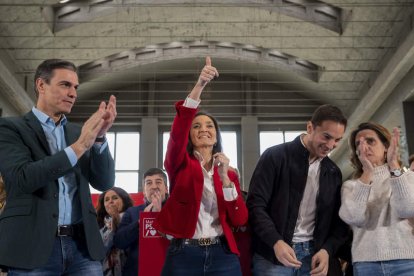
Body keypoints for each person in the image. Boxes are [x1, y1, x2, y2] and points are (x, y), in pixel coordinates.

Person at [0, 59, 116, 275]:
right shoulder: (10, 128)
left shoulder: (76, 132)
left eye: (75, 87)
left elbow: (104, 182)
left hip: (83, 248)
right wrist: (80, 146)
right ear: (41, 85)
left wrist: (99, 138)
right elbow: (22, 178)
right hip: (32, 246)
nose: (73, 93)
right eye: (65, 85)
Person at [153, 57, 248, 276]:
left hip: (223, 254)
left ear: (216, 136)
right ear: (190, 135)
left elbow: (240, 219)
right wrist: (200, 85)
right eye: (196, 126)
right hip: (184, 255)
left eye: (209, 126)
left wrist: (225, 178)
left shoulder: (230, 173)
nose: (203, 129)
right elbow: (178, 130)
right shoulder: (179, 164)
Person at [247, 104, 349, 276]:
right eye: (326, 137)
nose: (331, 145)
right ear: (310, 127)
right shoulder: (274, 156)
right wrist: (276, 242)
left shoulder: (333, 172)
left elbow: (339, 222)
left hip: (315, 257)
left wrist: (327, 250)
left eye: (337, 140)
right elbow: (255, 205)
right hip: (272, 255)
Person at [339, 122, 414, 276]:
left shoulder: (408, 177)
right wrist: (367, 173)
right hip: (366, 264)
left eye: (370, 141)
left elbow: (407, 209)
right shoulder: (350, 186)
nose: (363, 146)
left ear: (386, 146)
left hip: (406, 261)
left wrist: (393, 165)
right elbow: (354, 217)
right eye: (358, 143)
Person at [113, 168, 168, 276]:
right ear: (144, 191)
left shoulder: (176, 212)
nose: (153, 186)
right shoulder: (132, 212)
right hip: (136, 271)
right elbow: (119, 241)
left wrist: (159, 216)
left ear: (166, 189)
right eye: (149, 183)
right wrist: (141, 222)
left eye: (158, 182)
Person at [96, 187, 133, 276]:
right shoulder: (100, 226)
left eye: (115, 198)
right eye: (107, 200)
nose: (110, 201)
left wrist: (117, 219)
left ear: (124, 200)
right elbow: (100, 250)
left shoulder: (134, 219)